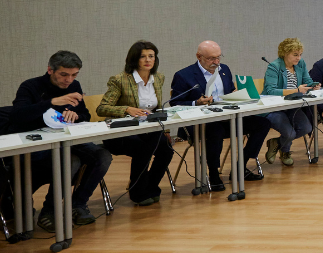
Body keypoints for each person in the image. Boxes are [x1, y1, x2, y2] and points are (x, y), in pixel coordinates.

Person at [14, 50, 112, 229]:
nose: (69, 80)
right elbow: (19, 115)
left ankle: (78, 204)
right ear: (50, 70)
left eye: (74, 75)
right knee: (70, 160)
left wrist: (76, 115)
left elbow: (85, 115)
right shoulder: (30, 86)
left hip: (68, 139)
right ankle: (49, 211)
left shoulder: (75, 86)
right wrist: (53, 102)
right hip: (38, 144)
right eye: (64, 75)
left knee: (103, 156)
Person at [170, 40, 271, 189]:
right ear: (199, 56)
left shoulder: (224, 70)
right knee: (214, 129)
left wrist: (236, 94)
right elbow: (175, 103)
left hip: (226, 118)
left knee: (263, 124)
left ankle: (240, 166)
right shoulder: (183, 76)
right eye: (211, 58)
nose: (216, 62)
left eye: (219, 57)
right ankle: (213, 173)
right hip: (199, 123)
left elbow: (228, 92)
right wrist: (196, 102)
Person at [96, 41, 175, 206]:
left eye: (151, 56)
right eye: (143, 56)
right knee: (143, 147)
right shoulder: (120, 80)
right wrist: (126, 109)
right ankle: (137, 191)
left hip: (149, 130)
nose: (148, 60)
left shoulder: (158, 78)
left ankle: (150, 187)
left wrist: (165, 129)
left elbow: (157, 107)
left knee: (166, 148)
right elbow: (102, 108)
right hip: (121, 133)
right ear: (134, 59)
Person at [262, 38, 320, 166]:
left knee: (306, 128)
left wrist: (313, 85)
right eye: (295, 55)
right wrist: (295, 90)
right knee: (290, 133)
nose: (298, 58)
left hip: (292, 105)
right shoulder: (274, 66)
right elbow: (270, 90)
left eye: (300, 54)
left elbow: (307, 80)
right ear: (284, 53)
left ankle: (276, 142)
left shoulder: (300, 64)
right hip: (274, 107)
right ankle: (285, 151)